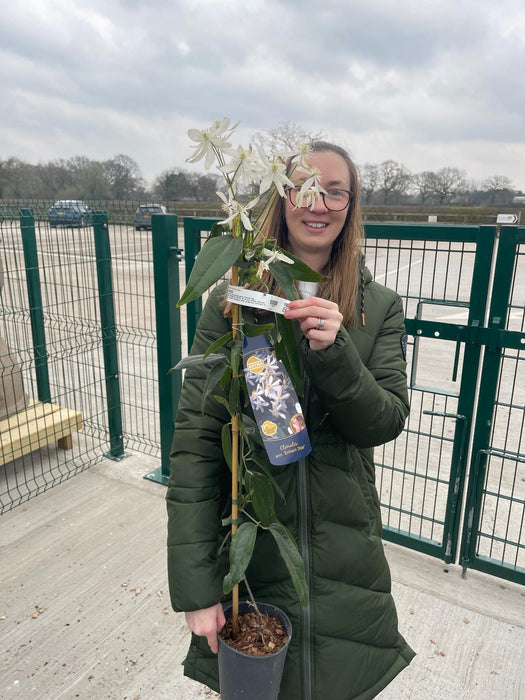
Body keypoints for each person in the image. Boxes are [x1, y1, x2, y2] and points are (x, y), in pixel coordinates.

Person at [166, 142, 415, 699]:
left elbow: (383, 421)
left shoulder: (376, 306)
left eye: (335, 191)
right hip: (255, 550)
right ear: (279, 196)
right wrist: (196, 587)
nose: (317, 203)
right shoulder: (236, 301)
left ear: (351, 207)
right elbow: (197, 442)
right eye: (303, 187)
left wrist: (337, 352)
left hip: (347, 555)